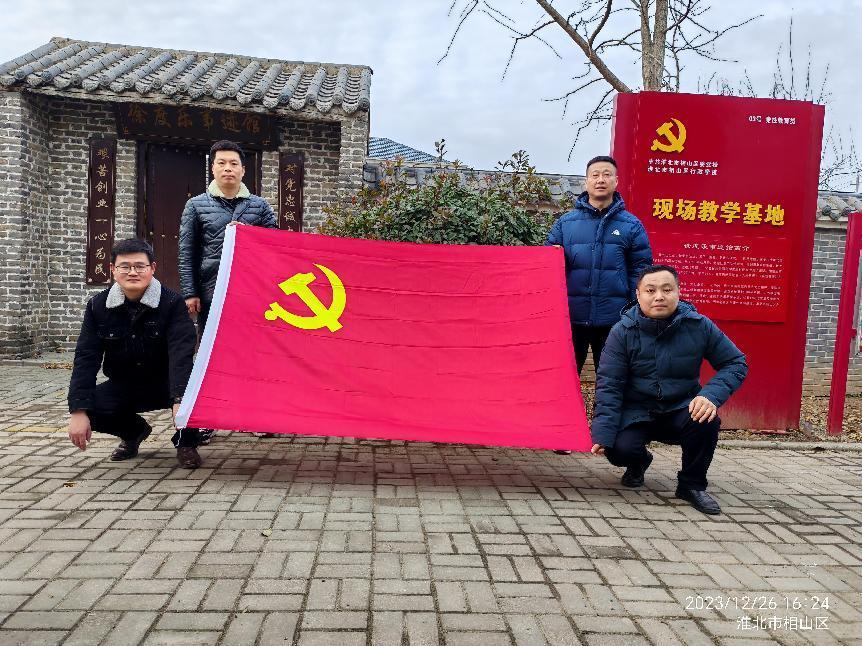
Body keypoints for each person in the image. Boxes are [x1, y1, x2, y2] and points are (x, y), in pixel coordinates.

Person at [590, 265, 748, 515]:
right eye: (650, 290)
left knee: (706, 419)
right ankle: (639, 461)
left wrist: (709, 396)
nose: (659, 297)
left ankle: (691, 485)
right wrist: (603, 433)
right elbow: (610, 384)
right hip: (637, 412)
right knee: (618, 450)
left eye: (667, 290)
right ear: (638, 294)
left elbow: (735, 362)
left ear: (678, 292)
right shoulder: (622, 331)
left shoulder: (699, 326)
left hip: (680, 408)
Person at [67, 239, 204, 468]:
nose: (133, 272)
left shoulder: (173, 304)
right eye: (125, 266)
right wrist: (78, 411)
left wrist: (180, 399)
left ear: (152, 268)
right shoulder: (97, 306)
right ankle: (134, 432)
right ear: (113, 269)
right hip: (125, 384)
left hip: (167, 383)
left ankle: (186, 442)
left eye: (140, 266)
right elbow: (86, 358)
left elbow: (181, 355)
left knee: (195, 394)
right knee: (91, 405)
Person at [178, 139, 279, 441]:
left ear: (243, 170)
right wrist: (190, 292)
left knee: (253, 355)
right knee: (212, 356)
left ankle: (252, 415)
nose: (228, 168)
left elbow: (275, 246)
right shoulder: (196, 205)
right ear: (212, 168)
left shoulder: (259, 206)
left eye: (234, 163)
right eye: (221, 163)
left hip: (250, 294)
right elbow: (186, 252)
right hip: (212, 294)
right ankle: (208, 417)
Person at [546, 155, 652, 375]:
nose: (600, 179)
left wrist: (632, 312)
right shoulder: (566, 224)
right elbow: (547, 268)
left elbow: (641, 272)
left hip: (614, 319)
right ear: (586, 182)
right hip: (570, 318)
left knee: (612, 380)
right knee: (564, 376)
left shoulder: (631, 225)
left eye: (606, 174)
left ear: (616, 181)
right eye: (595, 175)